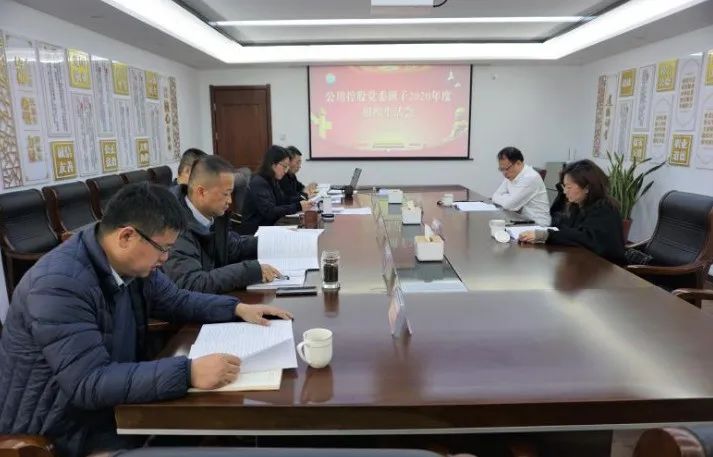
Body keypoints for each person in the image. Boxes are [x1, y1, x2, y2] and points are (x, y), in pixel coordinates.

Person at [0, 183, 292, 457]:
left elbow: (176, 301)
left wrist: (236, 308)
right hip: (63, 434)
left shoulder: (130, 264)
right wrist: (188, 373)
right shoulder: (58, 284)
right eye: (163, 248)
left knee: (228, 431)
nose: (166, 258)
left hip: (117, 408)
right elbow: (88, 382)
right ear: (126, 236)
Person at [163, 155, 282, 293]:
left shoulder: (213, 215)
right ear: (201, 192)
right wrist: (249, 271)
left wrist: (275, 242)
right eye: (226, 194)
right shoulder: (174, 226)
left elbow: (233, 247)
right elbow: (193, 283)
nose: (230, 201)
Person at [518, 159, 626, 264]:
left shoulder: (604, 209)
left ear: (587, 188)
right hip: (583, 262)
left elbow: (585, 238)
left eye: (569, 187)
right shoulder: (578, 205)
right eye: (564, 186)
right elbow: (568, 229)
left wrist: (546, 235)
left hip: (605, 267)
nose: (565, 191)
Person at [241, 145, 314, 234]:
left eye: (287, 167)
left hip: (271, 225)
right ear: (273, 164)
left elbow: (283, 200)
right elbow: (270, 212)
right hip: (256, 232)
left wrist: (301, 202)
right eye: (284, 166)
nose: (286, 171)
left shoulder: (272, 179)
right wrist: (298, 206)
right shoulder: (259, 182)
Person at [491, 147, 551, 227]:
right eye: (501, 169)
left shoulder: (530, 177)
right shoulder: (510, 175)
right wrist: (509, 198)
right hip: (519, 219)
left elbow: (509, 205)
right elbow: (495, 196)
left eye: (507, 169)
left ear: (518, 163)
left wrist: (507, 198)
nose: (504, 173)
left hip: (538, 225)